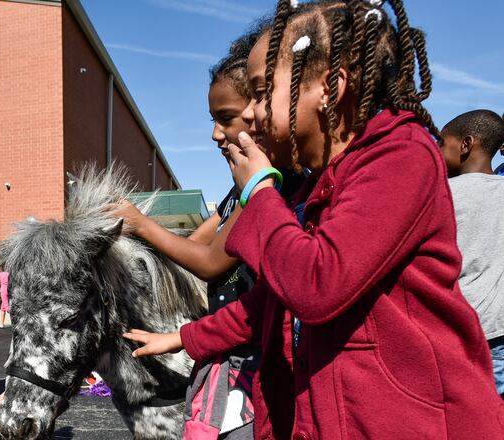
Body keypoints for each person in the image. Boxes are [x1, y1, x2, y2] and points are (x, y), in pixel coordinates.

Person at [124, 1, 504, 438]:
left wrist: (260, 193)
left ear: (329, 88)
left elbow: (318, 284)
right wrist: (186, 338)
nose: (250, 113)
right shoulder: (314, 186)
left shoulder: (401, 155)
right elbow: (271, 301)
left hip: (411, 422)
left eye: (262, 91)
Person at [113, 29, 302, 440]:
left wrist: (141, 222)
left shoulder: (266, 186)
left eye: (227, 119)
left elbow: (210, 260)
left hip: (252, 362)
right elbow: (195, 243)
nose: (217, 134)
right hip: (227, 349)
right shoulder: (238, 192)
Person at [439, 109, 504, 397]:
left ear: (466, 144)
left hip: (456, 332)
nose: (437, 152)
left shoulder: (442, 194)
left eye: (442, 143)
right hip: (498, 331)